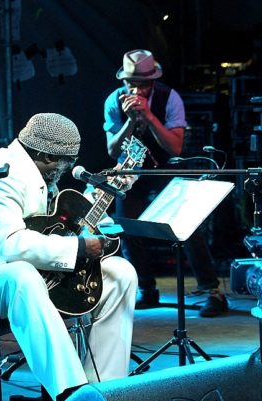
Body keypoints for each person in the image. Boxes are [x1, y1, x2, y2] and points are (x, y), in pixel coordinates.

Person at [0, 113, 137, 401]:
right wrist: (78, 248)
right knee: (22, 277)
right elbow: (10, 245)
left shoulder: (39, 173)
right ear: (46, 155)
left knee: (120, 273)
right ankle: (71, 395)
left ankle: (105, 390)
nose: (67, 169)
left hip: (30, 273)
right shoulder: (1, 176)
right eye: (65, 162)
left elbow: (60, 226)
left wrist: (100, 203)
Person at [103, 49, 228, 317]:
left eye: (143, 85)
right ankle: (146, 288)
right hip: (131, 173)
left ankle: (212, 291)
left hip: (166, 169)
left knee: (187, 228)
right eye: (131, 83)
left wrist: (148, 116)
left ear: (152, 81)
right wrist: (130, 121)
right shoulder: (113, 101)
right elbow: (113, 151)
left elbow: (175, 147)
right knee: (126, 228)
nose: (137, 90)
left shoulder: (170, 98)